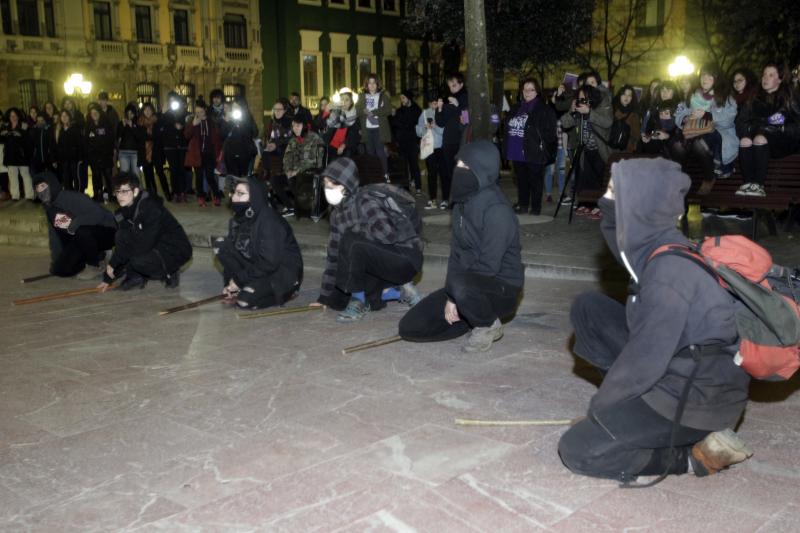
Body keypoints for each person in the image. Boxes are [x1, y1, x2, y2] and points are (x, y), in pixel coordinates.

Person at [558, 157, 752, 482]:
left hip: (699, 398)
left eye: (614, 194)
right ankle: (629, 417)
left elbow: (644, 361)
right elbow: (621, 243)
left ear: (641, 202)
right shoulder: (658, 245)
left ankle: (691, 457)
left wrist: (601, 413)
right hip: (680, 367)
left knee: (579, 448)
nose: (606, 201)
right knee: (589, 309)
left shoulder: (668, 274)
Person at [399, 140, 523, 352]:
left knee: (462, 287)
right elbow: (456, 255)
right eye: (459, 165)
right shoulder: (462, 204)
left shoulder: (497, 210)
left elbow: (489, 266)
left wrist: (457, 294)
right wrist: (450, 297)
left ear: (482, 170)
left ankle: (487, 323)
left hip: (502, 287)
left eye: (466, 166)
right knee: (410, 327)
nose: (459, 170)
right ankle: (471, 317)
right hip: (466, 286)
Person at [313, 157, 423, 322]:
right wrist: (324, 296)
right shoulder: (337, 214)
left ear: (345, 186)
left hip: (405, 257)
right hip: (380, 260)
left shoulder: (365, 201)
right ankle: (399, 290)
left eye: (331, 185)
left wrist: (356, 229)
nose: (327, 189)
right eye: (325, 185)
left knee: (351, 240)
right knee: (337, 300)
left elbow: (389, 235)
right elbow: (334, 255)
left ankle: (358, 300)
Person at [214, 176, 303, 310]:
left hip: (281, 271)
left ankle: (287, 292)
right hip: (257, 265)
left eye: (241, 194)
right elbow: (234, 255)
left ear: (254, 197)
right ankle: (246, 286)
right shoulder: (240, 218)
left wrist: (239, 281)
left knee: (244, 301)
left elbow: (269, 262)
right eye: (234, 193)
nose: (234, 198)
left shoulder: (269, 220)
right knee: (221, 245)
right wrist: (230, 285)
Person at [97, 172, 191, 292]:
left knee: (138, 260)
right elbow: (123, 245)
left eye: (124, 191)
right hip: (152, 243)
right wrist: (108, 277)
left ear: (135, 191)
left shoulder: (151, 208)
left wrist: (114, 264)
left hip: (175, 248)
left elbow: (144, 245)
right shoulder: (121, 213)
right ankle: (135, 277)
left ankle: (171, 271)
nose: (120, 196)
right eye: (117, 192)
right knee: (121, 235)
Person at [32, 171, 116, 279]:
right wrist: (58, 259)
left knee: (82, 231)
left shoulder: (71, 197)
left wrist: (76, 223)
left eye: (43, 185)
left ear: (51, 184)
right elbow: (54, 236)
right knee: (60, 270)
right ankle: (92, 255)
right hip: (81, 239)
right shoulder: (50, 209)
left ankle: (96, 264)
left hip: (107, 231)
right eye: (37, 188)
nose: (40, 191)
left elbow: (98, 214)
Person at [734, 63, 800, 197]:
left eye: (771, 75)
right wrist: (748, 131)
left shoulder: (788, 96)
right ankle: (748, 184)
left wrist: (778, 128)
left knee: (760, 138)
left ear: (779, 79)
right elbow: (741, 121)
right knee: (745, 141)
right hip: (758, 141)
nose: (766, 78)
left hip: (782, 142)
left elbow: (796, 125)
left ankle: (758, 185)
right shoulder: (754, 96)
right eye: (764, 74)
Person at [675, 65, 739, 195]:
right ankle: (680, 182)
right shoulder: (694, 95)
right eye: (703, 75)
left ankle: (709, 178)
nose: (705, 78)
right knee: (678, 146)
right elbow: (680, 112)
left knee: (699, 144)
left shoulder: (725, 96)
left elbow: (728, 119)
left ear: (717, 79)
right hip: (696, 132)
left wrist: (706, 115)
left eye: (710, 76)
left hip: (720, 136)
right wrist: (686, 118)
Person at [504, 78, 557, 215]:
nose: (527, 92)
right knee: (521, 181)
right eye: (525, 89)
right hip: (516, 150)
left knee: (535, 181)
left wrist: (540, 143)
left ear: (537, 92)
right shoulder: (516, 108)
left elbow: (550, 132)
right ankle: (523, 205)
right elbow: (507, 126)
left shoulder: (543, 109)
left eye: (531, 89)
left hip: (534, 150)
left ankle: (535, 208)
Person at [560, 83, 614, 213]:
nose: (582, 100)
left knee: (601, 180)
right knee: (587, 180)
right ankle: (588, 204)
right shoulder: (578, 107)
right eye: (580, 98)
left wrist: (589, 112)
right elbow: (565, 123)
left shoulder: (602, 106)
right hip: (585, 149)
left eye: (585, 97)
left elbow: (607, 122)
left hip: (600, 149)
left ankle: (599, 206)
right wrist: (572, 111)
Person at [277, 116, 325, 217]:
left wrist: (297, 171)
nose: (295, 128)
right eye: (293, 126)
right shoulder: (293, 141)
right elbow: (287, 158)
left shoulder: (314, 138)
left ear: (305, 126)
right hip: (293, 174)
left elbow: (315, 161)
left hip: (309, 173)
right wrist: (288, 170)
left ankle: (305, 207)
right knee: (275, 180)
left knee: (296, 178)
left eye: (298, 125)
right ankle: (290, 207)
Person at [435, 72, 469, 209]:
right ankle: (454, 200)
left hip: (461, 140)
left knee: (461, 172)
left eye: (454, 85)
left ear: (461, 84)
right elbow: (441, 122)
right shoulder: (449, 98)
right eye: (450, 86)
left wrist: (458, 106)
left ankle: (462, 200)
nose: (452, 88)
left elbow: (466, 120)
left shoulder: (466, 97)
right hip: (448, 140)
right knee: (450, 172)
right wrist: (440, 109)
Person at [184, 98, 222, 206]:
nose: (199, 114)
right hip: (197, 154)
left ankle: (217, 196)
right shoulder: (192, 121)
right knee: (199, 177)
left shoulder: (211, 122)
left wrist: (217, 154)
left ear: (205, 110)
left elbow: (217, 139)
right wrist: (193, 125)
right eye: (197, 112)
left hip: (209, 154)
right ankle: (200, 197)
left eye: (201, 112)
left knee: (210, 176)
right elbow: (186, 135)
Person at [356, 74, 393, 181]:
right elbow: (357, 110)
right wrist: (363, 111)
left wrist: (373, 112)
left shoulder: (383, 96)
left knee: (380, 151)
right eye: (369, 83)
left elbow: (388, 110)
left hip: (378, 129)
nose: (371, 85)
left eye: (374, 83)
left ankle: (385, 174)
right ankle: (373, 175)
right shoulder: (362, 96)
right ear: (366, 85)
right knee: (370, 153)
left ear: (377, 84)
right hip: (367, 129)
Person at [157, 91, 189, 202]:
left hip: (182, 145)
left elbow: (187, 125)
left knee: (182, 169)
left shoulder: (183, 112)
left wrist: (181, 126)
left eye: (174, 100)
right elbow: (160, 127)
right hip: (169, 145)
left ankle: (183, 192)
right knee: (173, 169)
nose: (172, 102)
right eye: (170, 100)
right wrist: (164, 113)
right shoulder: (165, 114)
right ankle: (175, 192)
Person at [416, 92, 445, 209]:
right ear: (429, 103)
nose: (434, 105)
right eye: (432, 103)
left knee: (444, 174)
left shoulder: (442, 112)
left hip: (442, 147)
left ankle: (445, 199)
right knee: (431, 174)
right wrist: (424, 127)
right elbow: (418, 131)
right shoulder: (424, 113)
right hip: (430, 147)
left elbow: (444, 131)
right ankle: (432, 199)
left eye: (436, 103)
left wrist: (435, 127)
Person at [392, 90, 423, 194]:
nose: (401, 100)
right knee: (403, 165)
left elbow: (416, 123)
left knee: (414, 164)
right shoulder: (400, 111)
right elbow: (396, 124)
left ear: (408, 98)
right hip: (402, 141)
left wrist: (405, 124)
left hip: (413, 141)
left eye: (403, 98)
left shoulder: (416, 109)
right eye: (401, 98)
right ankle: (405, 187)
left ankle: (418, 187)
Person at [138, 103, 170, 199]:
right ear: (143, 111)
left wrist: (150, 137)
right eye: (145, 110)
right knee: (148, 174)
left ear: (152, 111)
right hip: (146, 152)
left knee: (160, 173)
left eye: (149, 110)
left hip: (157, 151)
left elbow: (159, 135)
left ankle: (167, 193)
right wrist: (150, 137)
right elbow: (141, 137)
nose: (147, 112)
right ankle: (151, 194)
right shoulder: (140, 122)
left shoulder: (157, 121)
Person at [0, 108, 33, 200]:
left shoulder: (24, 126)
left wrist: (20, 135)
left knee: (25, 175)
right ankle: (15, 196)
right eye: (11, 116)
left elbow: (28, 141)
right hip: (10, 155)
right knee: (12, 176)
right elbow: (2, 139)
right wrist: (3, 134)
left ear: (18, 116)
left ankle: (29, 195)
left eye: (14, 115)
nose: (13, 117)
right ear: (9, 117)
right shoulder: (6, 126)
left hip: (22, 155)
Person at [85, 105, 115, 201]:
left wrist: (109, 153)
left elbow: (111, 139)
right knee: (96, 177)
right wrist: (90, 155)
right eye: (92, 113)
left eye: (96, 112)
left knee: (108, 177)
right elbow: (86, 142)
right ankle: (97, 195)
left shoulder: (107, 124)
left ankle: (112, 195)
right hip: (94, 157)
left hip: (106, 156)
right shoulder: (88, 126)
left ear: (99, 113)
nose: (94, 114)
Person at [222, 100, 259, 177]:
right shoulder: (229, 118)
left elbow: (254, 133)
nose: (235, 109)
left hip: (244, 154)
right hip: (230, 154)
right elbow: (222, 135)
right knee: (232, 177)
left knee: (243, 177)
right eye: (234, 107)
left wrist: (242, 123)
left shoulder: (247, 118)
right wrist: (226, 122)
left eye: (237, 107)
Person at [53, 110, 83, 193]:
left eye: (66, 115)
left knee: (76, 178)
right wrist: (55, 159)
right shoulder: (59, 130)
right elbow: (56, 145)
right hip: (64, 160)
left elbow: (80, 144)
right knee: (66, 179)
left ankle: (78, 195)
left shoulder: (75, 128)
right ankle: (69, 195)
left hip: (74, 159)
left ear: (69, 117)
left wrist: (80, 158)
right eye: (62, 116)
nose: (64, 117)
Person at [326, 90, 361, 159]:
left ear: (351, 102)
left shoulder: (355, 116)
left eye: (347, 100)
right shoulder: (335, 113)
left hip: (346, 149)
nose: (344, 102)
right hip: (331, 146)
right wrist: (326, 111)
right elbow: (321, 124)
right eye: (342, 99)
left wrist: (344, 145)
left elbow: (355, 135)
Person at [117, 103, 145, 177]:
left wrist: (132, 126)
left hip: (135, 153)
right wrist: (122, 126)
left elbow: (139, 136)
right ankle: (126, 189)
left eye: (131, 113)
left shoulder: (138, 123)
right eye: (128, 113)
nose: (129, 115)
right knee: (124, 176)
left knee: (136, 175)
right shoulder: (121, 123)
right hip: (123, 152)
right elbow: (118, 137)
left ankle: (136, 188)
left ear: (134, 114)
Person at [612, 85, 641, 152]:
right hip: (610, 149)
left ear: (632, 98)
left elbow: (636, 136)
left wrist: (630, 150)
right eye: (624, 94)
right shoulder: (611, 110)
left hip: (625, 151)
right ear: (620, 95)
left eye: (629, 95)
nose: (626, 97)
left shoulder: (634, 115)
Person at [29, 111, 54, 176]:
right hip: (37, 161)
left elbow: (52, 146)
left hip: (49, 161)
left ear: (45, 120)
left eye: (42, 120)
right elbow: (31, 145)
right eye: (38, 121)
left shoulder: (50, 130)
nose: (40, 122)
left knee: (50, 178)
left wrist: (53, 159)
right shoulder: (34, 131)